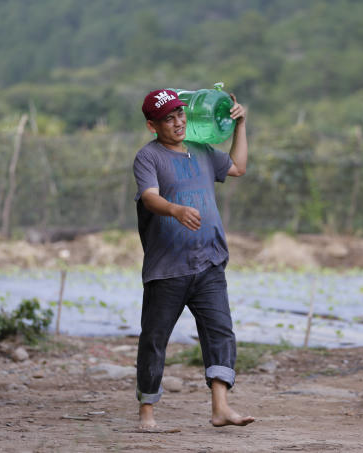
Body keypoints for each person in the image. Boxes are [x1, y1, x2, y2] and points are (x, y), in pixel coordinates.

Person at [132, 88, 254, 429]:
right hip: (167, 268)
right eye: (168, 119)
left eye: (180, 114)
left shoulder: (202, 150)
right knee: (155, 338)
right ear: (152, 126)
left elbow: (238, 167)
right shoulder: (148, 157)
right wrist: (175, 209)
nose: (178, 123)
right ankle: (147, 412)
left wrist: (241, 124)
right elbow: (149, 197)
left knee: (220, 332)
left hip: (209, 261)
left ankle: (220, 407)